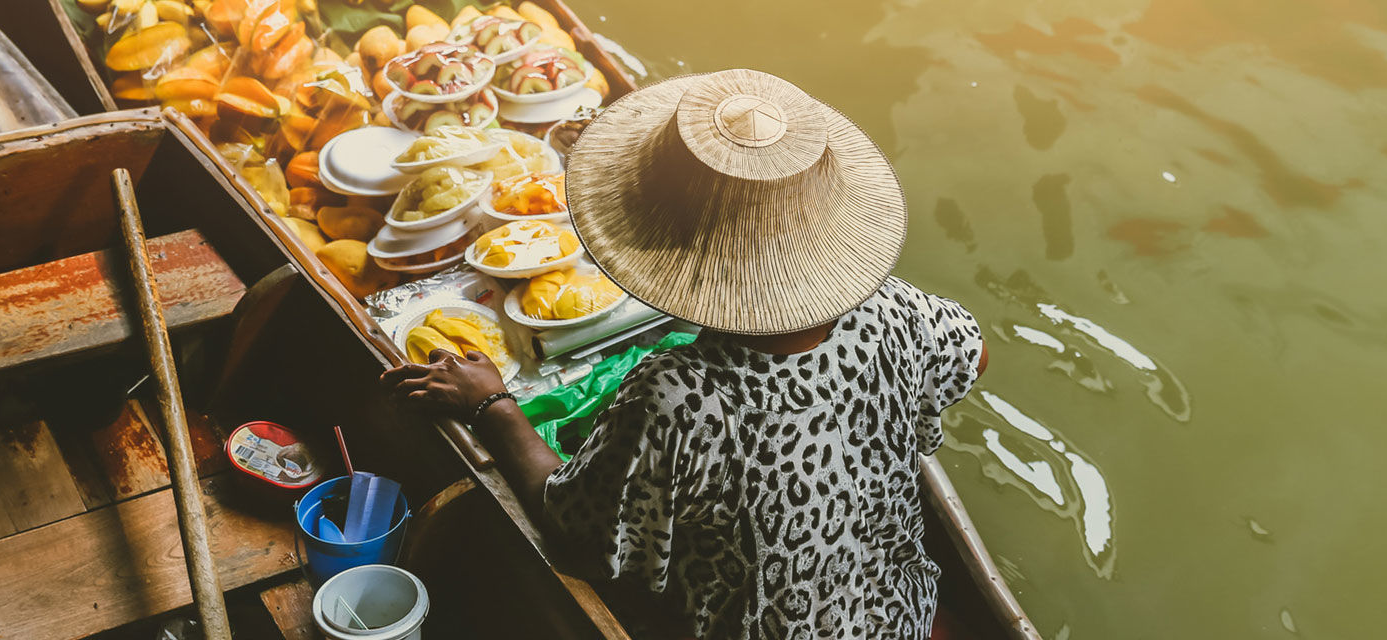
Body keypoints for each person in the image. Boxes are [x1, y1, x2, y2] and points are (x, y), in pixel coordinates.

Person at [381, 69, 987, 639]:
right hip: (900, 614)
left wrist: (493, 405)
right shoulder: (898, 308)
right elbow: (974, 355)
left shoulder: (679, 396)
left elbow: (580, 533)